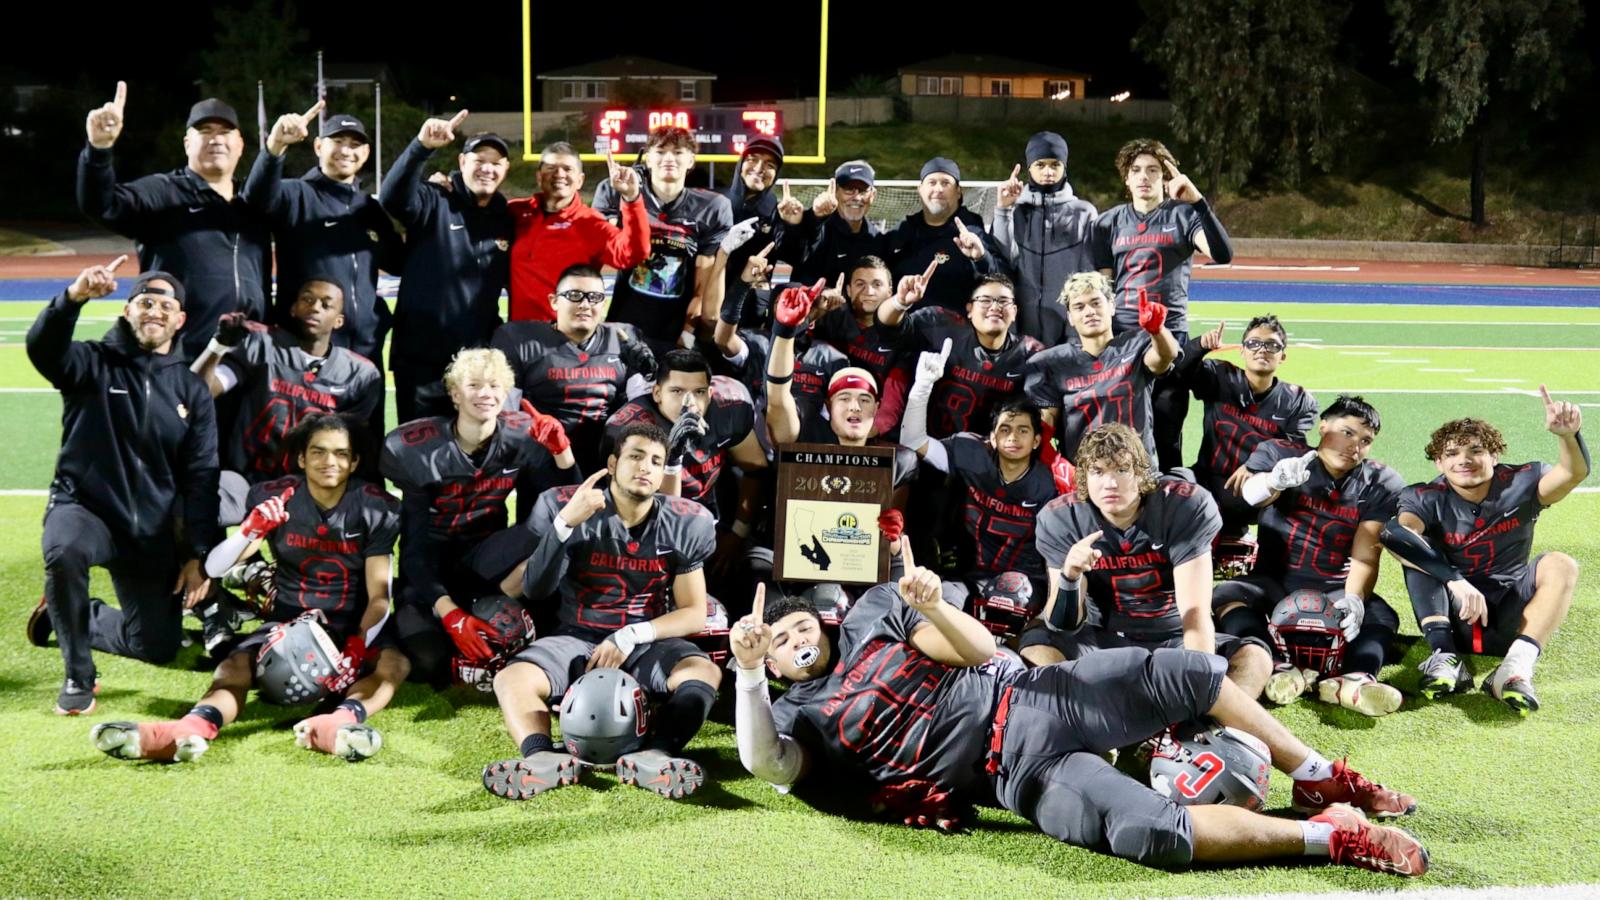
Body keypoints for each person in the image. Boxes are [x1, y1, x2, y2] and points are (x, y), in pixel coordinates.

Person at [729, 549, 1427, 876]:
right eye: (777, 642)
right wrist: (750, 672)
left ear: (823, 625)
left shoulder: (872, 618)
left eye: (798, 631)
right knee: (1149, 834)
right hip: (1016, 771)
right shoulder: (795, 715)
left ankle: (1315, 773)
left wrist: (933, 601)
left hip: (1029, 695)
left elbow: (976, 652)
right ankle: (1327, 835)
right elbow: (765, 763)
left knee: (1182, 671)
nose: (792, 643)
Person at [89, 414, 407, 762]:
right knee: (235, 665)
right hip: (290, 618)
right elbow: (215, 567)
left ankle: (338, 723)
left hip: (351, 620)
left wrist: (359, 643)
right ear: (301, 458)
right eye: (318, 452)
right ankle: (192, 726)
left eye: (341, 454)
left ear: (354, 461)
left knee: (395, 664)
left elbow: (379, 595)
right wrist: (251, 529)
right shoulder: (276, 497)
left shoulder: (377, 507)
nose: (329, 462)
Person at [482, 425, 723, 800]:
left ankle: (655, 756)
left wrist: (632, 635)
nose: (646, 467)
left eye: (656, 461)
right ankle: (542, 757)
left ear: (663, 474)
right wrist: (565, 524)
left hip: (645, 641)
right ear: (612, 463)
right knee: (512, 679)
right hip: (576, 637)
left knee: (702, 671)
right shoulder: (564, 504)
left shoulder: (686, 521)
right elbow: (536, 589)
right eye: (636, 456)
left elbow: (693, 612)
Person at [24, 261, 220, 715]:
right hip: (86, 510)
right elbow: (44, 349)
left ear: (180, 319)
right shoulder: (90, 362)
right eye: (144, 302)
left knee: (156, 646)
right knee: (65, 551)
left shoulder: (191, 390)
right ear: (128, 310)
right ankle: (79, 674)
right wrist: (72, 297)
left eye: (165, 305)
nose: (154, 311)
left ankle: (71, 612)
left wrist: (197, 554)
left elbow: (202, 476)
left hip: (149, 531)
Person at [1019, 424, 1271, 698]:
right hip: (1101, 638)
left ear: (1141, 473)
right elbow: (1064, 625)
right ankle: (1089, 715)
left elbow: (1195, 613)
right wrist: (1070, 577)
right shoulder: (1062, 518)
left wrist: (1199, 680)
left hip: (1173, 638)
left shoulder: (1183, 506)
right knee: (1037, 650)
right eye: (1098, 472)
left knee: (1254, 658)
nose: (1110, 483)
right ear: (1084, 478)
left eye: (1122, 470)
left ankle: (1211, 725)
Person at [380, 349, 579, 684]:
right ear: (456, 393)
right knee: (430, 663)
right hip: (433, 564)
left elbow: (567, 502)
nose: (485, 393)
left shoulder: (521, 434)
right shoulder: (417, 447)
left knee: (544, 529)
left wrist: (563, 454)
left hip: (488, 561)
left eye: (494, 385)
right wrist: (450, 613)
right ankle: (457, 614)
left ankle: (497, 606)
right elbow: (413, 552)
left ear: (506, 393)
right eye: (474, 385)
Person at [1384, 394, 1587, 714]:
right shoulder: (1425, 495)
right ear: (1439, 462)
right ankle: (1445, 658)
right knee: (1415, 550)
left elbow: (1572, 473)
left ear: (1494, 454)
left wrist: (1568, 436)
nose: (1463, 459)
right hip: (1454, 616)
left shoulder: (1524, 480)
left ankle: (1514, 669)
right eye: (1451, 453)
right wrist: (1455, 581)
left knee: (1561, 564)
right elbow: (1395, 534)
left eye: (1475, 450)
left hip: (1515, 615)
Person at [1216, 396, 1407, 716]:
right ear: (1323, 426)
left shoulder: (1381, 481)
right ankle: (1277, 667)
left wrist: (1355, 599)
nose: (1354, 445)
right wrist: (1271, 482)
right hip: (1273, 583)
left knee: (1382, 616)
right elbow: (1247, 497)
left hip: (1332, 585)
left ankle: (1356, 679)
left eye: (1365, 440)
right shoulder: (1281, 454)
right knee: (1225, 596)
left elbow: (1364, 556)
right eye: (1346, 432)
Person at [76, 84, 271, 360]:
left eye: (225, 132)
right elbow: (102, 204)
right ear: (187, 143)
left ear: (240, 144)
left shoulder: (253, 204)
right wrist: (99, 150)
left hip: (248, 358)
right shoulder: (164, 191)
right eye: (205, 132)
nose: (216, 139)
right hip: (180, 357)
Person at [1091, 139, 1234, 471]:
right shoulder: (1108, 222)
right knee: (1123, 428)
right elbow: (1104, 284)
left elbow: (1221, 254)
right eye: (1136, 170)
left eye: (1153, 170)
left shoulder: (1183, 215)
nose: (1144, 177)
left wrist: (1198, 201)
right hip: (1124, 335)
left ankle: (1169, 503)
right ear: (1126, 178)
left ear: (1166, 176)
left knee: (1167, 427)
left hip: (1170, 334)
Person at [189, 278, 383, 520]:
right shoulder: (263, 344)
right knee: (195, 508)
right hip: (246, 479)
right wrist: (218, 346)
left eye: (326, 304)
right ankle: (228, 558)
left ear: (339, 320)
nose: (315, 308)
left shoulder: (359, 373)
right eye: (308, 300)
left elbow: (350, 448)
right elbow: (197, 393)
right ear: (293, 308)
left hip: (311, 486)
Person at [243, 101, 404, 367]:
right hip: (307, 349)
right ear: (318, 146)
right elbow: (255, 199)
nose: (345, 150)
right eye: (337, 141)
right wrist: (275, 148)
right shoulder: (295, 194)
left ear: (366, 153)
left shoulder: (370, 209)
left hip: (364, 352)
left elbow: (397, 262)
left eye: (355, 145)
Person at [380, 111, 512, 423]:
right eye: (479, 159)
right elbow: (392, 198)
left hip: (476, 367)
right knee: (419, 454)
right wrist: (421, 148)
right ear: (462, 162)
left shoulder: (506, 218)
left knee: (472, 457)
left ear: (505, 169)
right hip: (421, 362)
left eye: (496, 163)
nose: (487, 168)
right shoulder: (434, 198)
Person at [491, 264, 657, 473]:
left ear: (603, 303)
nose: (585, 304)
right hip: (543, 460)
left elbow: (647, 415)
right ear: (554, 301)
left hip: (604, 460)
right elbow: (504, 415)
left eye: (594, 297)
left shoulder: (625, 339)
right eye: (575, 295)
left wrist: (650, 374)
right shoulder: (520, 340)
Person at [592, 126, 732, 356]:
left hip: (672, 329)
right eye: (660, 151)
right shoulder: (616, 192)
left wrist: (687, 332)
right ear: (647, 159)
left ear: (691, 161)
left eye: (678, 152)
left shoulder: (712, 208)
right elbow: (596, 256)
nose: (669, 158)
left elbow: (703, 284)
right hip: (621, 323)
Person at [1175, 316, 1318, 541]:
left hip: (1258, 489)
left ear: (1283, 356)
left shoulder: (1297, 400)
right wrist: (1200, 346)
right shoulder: (1221, 376)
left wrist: (1255, 465)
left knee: (1299, 489)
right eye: (1253, 343)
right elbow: (1176, 371)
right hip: (1209, 480)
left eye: (1272, 345)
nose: (1262, 349)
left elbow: (1295, 448)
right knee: (1173, 483)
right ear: (1242, 351)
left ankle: (1269, 564)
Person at [899, 395, 1060, 593]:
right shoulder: (972, 453)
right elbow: (913, 441)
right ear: (993, 437)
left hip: (1026, 580)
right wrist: (922, 387)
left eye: (1023, 430)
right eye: (1005, 429)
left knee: (1013, 596)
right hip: (969, 576)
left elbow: (1057, 549)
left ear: (1036, 440)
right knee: (941, 600)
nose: (1013, 437)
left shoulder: (1050, 482)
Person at [1024, 272, 1177, 464]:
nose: (1089, 312)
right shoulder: (1054, 363)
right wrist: (1057, 467)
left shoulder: (1137, 344)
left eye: (1096, 303)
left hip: (1137, 471)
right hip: (1084, 474)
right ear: (1070, 317)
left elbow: (1164, 357)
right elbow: (1045, 427)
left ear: (1112, 306)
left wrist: (1157, 331)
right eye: (1079, 307)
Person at [605, 349, 764, 528]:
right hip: (649, 524)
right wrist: (672, 460)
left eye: (699, 392)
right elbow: (655, 517)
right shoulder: (632, 430)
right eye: (677, 391)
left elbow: (756, 469)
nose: (689, 403)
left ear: (710, 394)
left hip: (706, 511)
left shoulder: (730, 405)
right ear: (657, 393)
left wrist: (739, 532)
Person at [877, 273, 1043, 440]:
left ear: (1014, 312)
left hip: (988, 459)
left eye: (1003, 301)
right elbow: (888, 328)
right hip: (926, 449)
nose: (994, 307)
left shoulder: (1031, 355)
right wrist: (899, 302)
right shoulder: (941, 327)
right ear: (969, 309)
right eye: (985, 300)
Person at [507, 143, 648, 321]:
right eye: (551, 168)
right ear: (538, 176)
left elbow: (633, 253)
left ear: (580, 180)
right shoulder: (516, 212)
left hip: (566, 338)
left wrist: (632, 198)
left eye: (567, 169)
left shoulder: (590, 222)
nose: (559, 174)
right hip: (517, 336)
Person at [990, 131, 1099, 345]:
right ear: (1029, 167)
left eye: (1054, 165)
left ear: (1064, 168)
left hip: (1069, 331)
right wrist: (1003, 210)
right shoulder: (1015, 210)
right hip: (1018, 331)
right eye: (1040, 165)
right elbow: (1001, 262)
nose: (1048, 172)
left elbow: (1088, 276)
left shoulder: (1084, 212)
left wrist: (1075, 332)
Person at [884, 158, 1011, 316]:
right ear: (920, 189)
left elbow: (1004, 279)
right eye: (932, 182)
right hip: (907, 331)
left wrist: (981, 258)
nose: (938, 189)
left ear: (958, 191)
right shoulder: (903, 232)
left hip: (960, 333)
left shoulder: (972, 232)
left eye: (945, 183)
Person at [717, 138, 792, 329]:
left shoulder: (777, 211)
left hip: (748, 309)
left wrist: (794, 226)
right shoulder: (716, 203)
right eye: (753, 159)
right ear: (741, 163)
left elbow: (787, 261)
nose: (759, 168)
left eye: (769, 164)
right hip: (710, 300)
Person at [806, 255, 905, 387]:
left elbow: (894, 397)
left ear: (890, 292)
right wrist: (813, 313)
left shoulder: (902, 333)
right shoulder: (829, 316)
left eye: (877, 284)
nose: (869, 292)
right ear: (848, 290)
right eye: (860, 284)